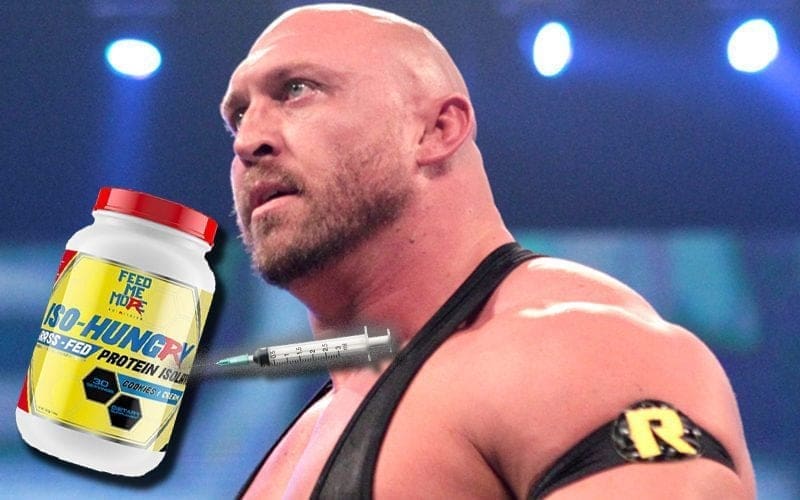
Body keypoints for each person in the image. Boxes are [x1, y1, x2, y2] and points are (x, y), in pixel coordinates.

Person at [220, 3, 755, 498]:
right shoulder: (304, 436)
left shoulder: (577, 349)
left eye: (296, 90)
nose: (247, 142)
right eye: (239, 116)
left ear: (437, 129)